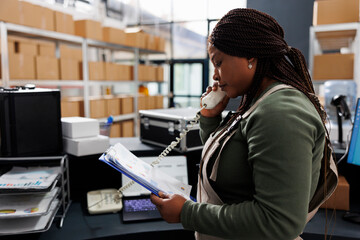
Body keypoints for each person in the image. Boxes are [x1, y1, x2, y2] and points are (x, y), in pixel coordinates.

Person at [150, 8, 336, 240]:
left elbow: (278, 221)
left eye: (218, 62)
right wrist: (210, 119)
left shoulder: (281, 112)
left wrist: (187, 213)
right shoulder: (259, 102)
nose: (215, 76)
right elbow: (231, 166)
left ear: (250, 56)